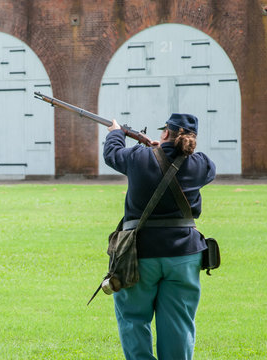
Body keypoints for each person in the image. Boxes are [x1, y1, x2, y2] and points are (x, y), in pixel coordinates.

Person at [103, 114, 216, 360]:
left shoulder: (138, 157)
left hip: (138, 254)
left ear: (165, 133)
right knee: (178, 324)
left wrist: (116, 131)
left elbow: (112, 153)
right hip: (184, 255)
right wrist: (163, 151)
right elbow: (198, 166)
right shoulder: (201, 165)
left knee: (133, 319)